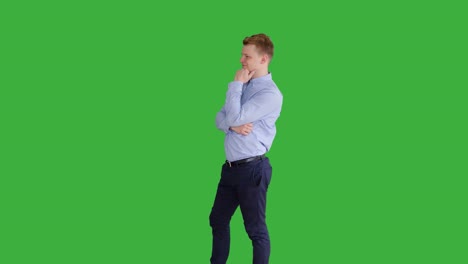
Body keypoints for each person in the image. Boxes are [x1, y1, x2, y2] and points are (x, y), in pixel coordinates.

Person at [209, 33, 283, 264]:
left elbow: (232, 115)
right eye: (242, 54)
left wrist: (236, 86)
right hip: (230, 169)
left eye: (247, 56)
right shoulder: (244, 87)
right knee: (217, 219)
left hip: (252, 170)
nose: (241, 60)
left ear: (263, 59)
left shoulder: (269, 94)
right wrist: (234, 124)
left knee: (255, 229)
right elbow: (219, 119)